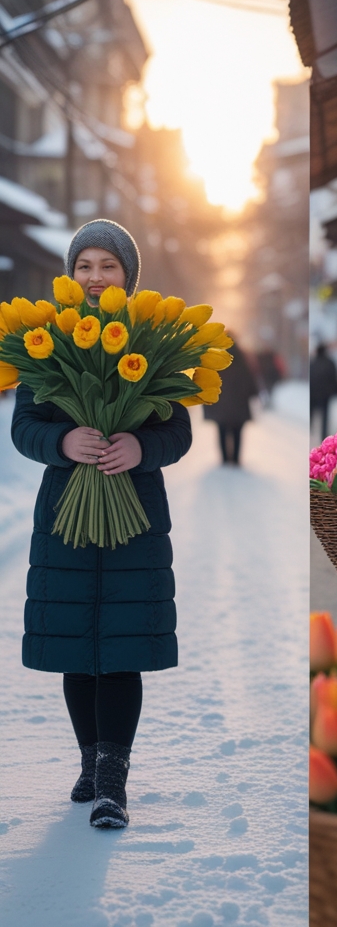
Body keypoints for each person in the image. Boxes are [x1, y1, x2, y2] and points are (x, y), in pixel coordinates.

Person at [12, 219, 192, 830]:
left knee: (120, 649)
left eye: (107, 266)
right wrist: (65, 439)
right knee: (74, 648)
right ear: (70, 275)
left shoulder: (153, 337)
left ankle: (112, 780)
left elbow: (177, 430)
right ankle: (90, 761)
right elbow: (24, 428)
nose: (94, 277)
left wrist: (141, 449)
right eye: (84, 265)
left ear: (127, 277)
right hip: (65, 510)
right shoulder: (45, 339)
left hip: (134, 514)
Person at [204, 337, 259, 465]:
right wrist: (252, 393)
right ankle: (235, 458)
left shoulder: (217, 362)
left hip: (220, 406)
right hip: (239, 406)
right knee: (237, 432)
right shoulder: (242, 361)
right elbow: (251, 382)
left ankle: (224, 458)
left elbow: (208, 382)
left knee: (221, 430)